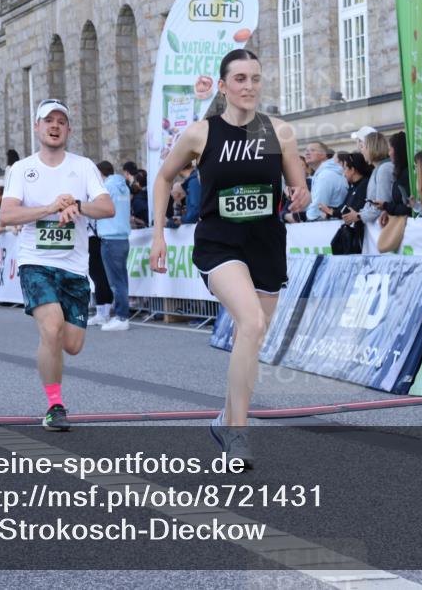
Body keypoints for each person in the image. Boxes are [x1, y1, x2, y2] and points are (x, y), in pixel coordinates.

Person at [149, 49, 309, 467]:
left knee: (250, 338)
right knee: (251, 321)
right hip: (219, 242)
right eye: (239, 79)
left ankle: (226, 419)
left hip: (267, 244)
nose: (249, 86)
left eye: (255, 78)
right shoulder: (200, 133)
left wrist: (300, 193)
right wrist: (158, 234)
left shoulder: (280, 132)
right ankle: (239, 434)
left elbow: (298, 187)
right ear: (223, 86)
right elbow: (165, 177)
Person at [0, 98, 116, 431]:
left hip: (74, 267)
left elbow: (107, 208)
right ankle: (55, 406)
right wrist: (51, 207)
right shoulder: (23, 169)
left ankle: (49, 351)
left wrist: (76, 204)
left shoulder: (83, 167)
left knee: (72, 345)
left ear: (68, 129)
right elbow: (7, 214)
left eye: (60, 121)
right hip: (35, 262)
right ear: (37, 127)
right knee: (51, 328)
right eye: (48, 120)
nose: (54, 126)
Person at [96, 160, 133, 331]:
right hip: (122, 236)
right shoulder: (123, 186)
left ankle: (121, 317)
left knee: (116, 281)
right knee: (121, 280)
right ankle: (122, 315)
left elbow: (98, 208)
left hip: (110, 237)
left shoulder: (106, 187)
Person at [87, 162, 116, 327]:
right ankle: (104, 310)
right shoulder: (107, 190)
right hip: (101, 236)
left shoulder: (99, 192)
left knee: (98, 274)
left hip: (95, 236)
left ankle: (102, 311)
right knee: (101, 275)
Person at [288, 142, 346, 222]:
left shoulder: (325, 175)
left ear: (323, 154)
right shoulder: (324, 173)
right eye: (306, 151)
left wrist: (294, 217)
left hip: (327, 226)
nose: (307, 153)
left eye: (312, 150)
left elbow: (316, 211)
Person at [320, 152, 372, 223]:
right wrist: (330, 211)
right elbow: (345, 206)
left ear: (352, 170)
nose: (343, 173)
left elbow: (354, 209)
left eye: (345, 168)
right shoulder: (353, 185)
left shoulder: (364, 184)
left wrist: (331, 212)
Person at [358, 131, 394, 226]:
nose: (361, 151)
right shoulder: (378, 168)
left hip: (385, 226)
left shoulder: (384, 168)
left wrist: (359, 216)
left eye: (363, 147)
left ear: (371, 148)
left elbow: (381, 204)